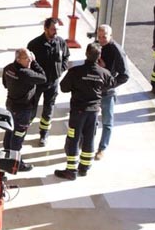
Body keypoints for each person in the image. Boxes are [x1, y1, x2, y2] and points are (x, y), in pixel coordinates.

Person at [54, 43, 125, 180]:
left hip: (77, 112)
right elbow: (110, 85)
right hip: (93, 113)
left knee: (74, 139)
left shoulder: (75, 71)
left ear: (86, 54)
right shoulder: (104, 73)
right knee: (89, 138)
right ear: (99, 56)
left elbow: (64, 88)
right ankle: (84, 168)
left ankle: (71, 170)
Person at [0, 48, 49, 172]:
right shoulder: (26, 73)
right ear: (18, 59)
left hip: (10, 105)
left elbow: (5, 84)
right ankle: (16, 163)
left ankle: (7, 157)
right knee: (18, 136)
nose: (29, 61)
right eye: (27, 59)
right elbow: (43, 78)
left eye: (30, 58)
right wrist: (35, 62)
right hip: (23, 110)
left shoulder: (8, 68)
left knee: (9, 131)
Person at [27, 17, 70, 146]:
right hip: (37, 84)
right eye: (53, 29)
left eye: (57, 29)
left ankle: (44, 134)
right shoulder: (34, 44)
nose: (55, 32)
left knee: (48, 110)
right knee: (31, 108)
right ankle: (22, 131)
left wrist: (60, 71)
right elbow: (28, 64)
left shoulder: (61, 42)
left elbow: (66, 57)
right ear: (45, 29)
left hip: (53, 83)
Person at [95, 25, 128, 160]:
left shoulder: (116, 51)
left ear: (110, 36)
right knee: (91, 119)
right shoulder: (96, 46)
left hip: (108, 92)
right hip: (95, 89)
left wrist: (110, 84)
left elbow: (124, 75)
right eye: (99, 37)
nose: (101, 39)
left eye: (104, 37)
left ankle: (102, 148)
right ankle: (87, 143)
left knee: (107, 122)